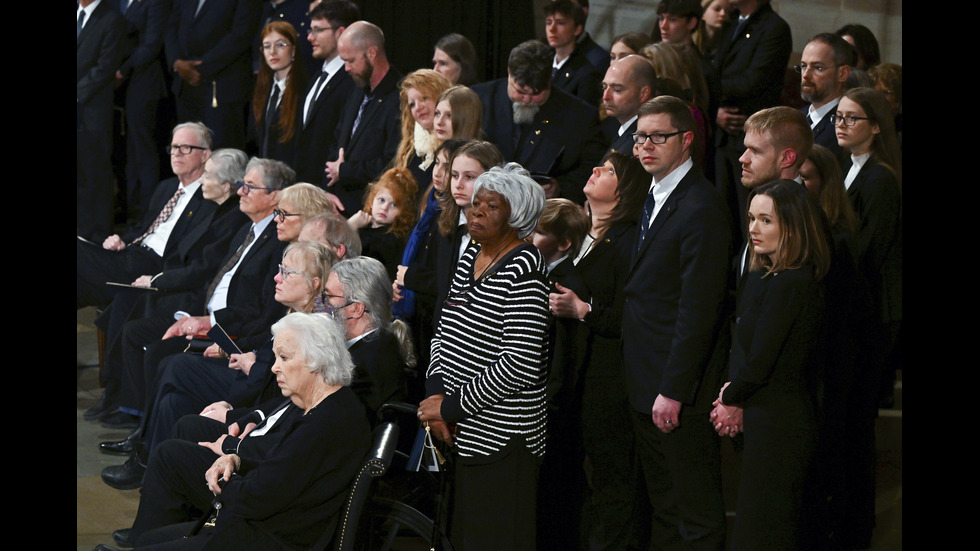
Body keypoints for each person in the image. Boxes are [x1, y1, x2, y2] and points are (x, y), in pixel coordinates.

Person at [94, 312, 371, 551]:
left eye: (284, 357)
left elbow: (258, 497)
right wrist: (234, 460)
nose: (274, 367)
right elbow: (279, 468)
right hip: (264, 524)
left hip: (269, 538)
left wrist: (222, 479)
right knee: (151, 539)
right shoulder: (331, 405)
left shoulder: (324, 424)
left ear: (317, 361)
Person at [100, 242, 338, 490]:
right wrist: (241, 354)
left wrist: (233, 407)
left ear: (315, 283)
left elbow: (279, 392)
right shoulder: (290, 311)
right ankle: (155, 482)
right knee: (173, 400)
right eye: (280, 269)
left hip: (256, 402)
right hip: (248, 382)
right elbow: (262, 347)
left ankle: (145, 461)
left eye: (288, 273)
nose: (277, 277)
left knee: (177, 365)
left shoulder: (312, 331)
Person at [419, 162, 548, 551]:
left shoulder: (525, 267)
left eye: (491, 207)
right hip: (463, 433)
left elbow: (519, 364)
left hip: (505, 440)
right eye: (477, 204)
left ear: (518, 217)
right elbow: (443, 335)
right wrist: (437, 396)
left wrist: (450, 408)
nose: (476, 212)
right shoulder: (470, 256)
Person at [622, 96, 731, 550]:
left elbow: (698, 310)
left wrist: (673, 390)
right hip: (645, 380)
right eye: (639, 137)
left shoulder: (701, 206)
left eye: (657, 137)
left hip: (676, 391)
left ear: (686, 141)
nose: (645, 146)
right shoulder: (654, 194)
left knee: (694, 512)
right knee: (665, 507)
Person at [85, 147, 251, 426]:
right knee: (126, 301)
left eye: (207, 176)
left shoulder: (232, 217)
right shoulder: (215, 208)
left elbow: (203, 268)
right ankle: (121, 399)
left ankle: (125, 403)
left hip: (195, 296)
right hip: (182, 283)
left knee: (131, 303)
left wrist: (159, 281)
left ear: (226, 185)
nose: (202, 181)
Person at [710, 179, 832, 551]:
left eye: (766, 220)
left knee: (765, 533)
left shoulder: (792, 282)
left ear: (792, 226)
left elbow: (764, 359)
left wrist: (731, 396)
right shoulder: (767, 276)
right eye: (751, 218)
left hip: (781, 424)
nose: (753, 228)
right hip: (766, 415)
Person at [548, 151, 650, 550]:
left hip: (611, 383)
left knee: (614, 483)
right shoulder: (581, 235)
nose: (594, 169)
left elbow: (631, 318)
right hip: (576, 378)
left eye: (608, 171)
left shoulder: (628, 242)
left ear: (624, 193)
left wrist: (583, 310)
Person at [77, 122, 215, 311]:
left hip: (151, 267)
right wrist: (121, 241)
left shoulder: (208, 198)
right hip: (128, 255)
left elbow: (193, 255)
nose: (176, 154)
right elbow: (141, 228)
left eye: (185, 148)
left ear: (205, 155)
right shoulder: (166, 187)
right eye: (174, 147)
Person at [473, 39, 606, 203]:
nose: (527, 99)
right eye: (520, 91)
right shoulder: (478, 100)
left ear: (550, 78)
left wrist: (560, 187)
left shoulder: (580, 116)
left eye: (537, 93)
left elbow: (591, 167)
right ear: (509, 72)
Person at [713, 0, 792, 241]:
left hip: (750, 140)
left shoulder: (774, 28)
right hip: (723, 136)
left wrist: (709, 89)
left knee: (747, 224)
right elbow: (716, 67)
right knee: (721, 221)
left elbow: (753, 81)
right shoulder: (732, 22)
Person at [324, 20, 403, 215]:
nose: (346, 68)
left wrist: (344, 172)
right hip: (338, 204)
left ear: (372, 53)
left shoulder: (401, 98)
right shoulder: (357, 90)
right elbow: (337, 141)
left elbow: (392, 162)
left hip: (372, 213)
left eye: (350, 61)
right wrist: (330, 189)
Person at [165, 0, 262, 150]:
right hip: (185, 85)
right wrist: (176, 62)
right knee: (189, 155)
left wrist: (200, 67)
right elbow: (171, 26)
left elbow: (242, 34)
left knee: (222, 158)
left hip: (223, 87)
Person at [734, 106, 813, 265]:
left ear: (787, 158)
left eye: (755, 151)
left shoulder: (804, 219)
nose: (743, 158)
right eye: (746, 148)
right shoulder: (761, 203)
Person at [294, 0, 358, 185]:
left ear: (341, 32)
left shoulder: (352, 81)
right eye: (310, 30)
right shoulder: (316, 77)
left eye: (318, 30)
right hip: (304, 189)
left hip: (329, 193)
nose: (310, 38)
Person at [116, 0, 168, 223]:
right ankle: (130, 208)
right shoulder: (119, 3)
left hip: (144, 82)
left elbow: (152, 44)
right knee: (130, 152)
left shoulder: (155, 3)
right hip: (121, 87)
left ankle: (147, 213)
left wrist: (122, 70)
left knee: (143, 150)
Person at [77, 0, 125, 241]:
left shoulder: (112, 18)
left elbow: (105, 67)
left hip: (93, 109)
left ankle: (99, 235)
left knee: (96, 171)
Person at [250, 21, 308, 168]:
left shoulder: (305, 90)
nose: (272, 52)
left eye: (280, 45)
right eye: (267, 46)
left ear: (293, 50)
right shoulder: (263, 89)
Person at [347, 168, 419, 278]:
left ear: (403, 212)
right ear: (372, 200)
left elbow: (357, 265)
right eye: (381, 200)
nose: (385, 208)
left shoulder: (392, 241)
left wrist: (351, 228)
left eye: (394, 205)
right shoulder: (363, 225)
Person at [392, 69, 452, 199]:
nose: (418, 107)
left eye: (424, 98)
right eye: (412, 104)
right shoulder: (410, 147)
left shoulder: (456, 144)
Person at [798, 33, 855, 167]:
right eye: (803, 66)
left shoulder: (846, 126)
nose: (806, 75)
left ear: (842, 73)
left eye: (818, 68)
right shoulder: (796, 117)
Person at [545, 0, 602, 106]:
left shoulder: (586, 74)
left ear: (577, 29)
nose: (551, 29)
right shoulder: (541, 61)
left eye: (560, 23)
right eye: (548, 22)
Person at [601, 55, 657, 155]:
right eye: (604, 87)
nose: (605, 96)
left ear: (643, 94)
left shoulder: (641, 142)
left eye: (617, 89)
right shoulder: (621, 129)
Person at [274, 182, 338, 243]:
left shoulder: (322, 253)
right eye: (279, 212)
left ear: (309, 217)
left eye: (285, 213)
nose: (276, 219)